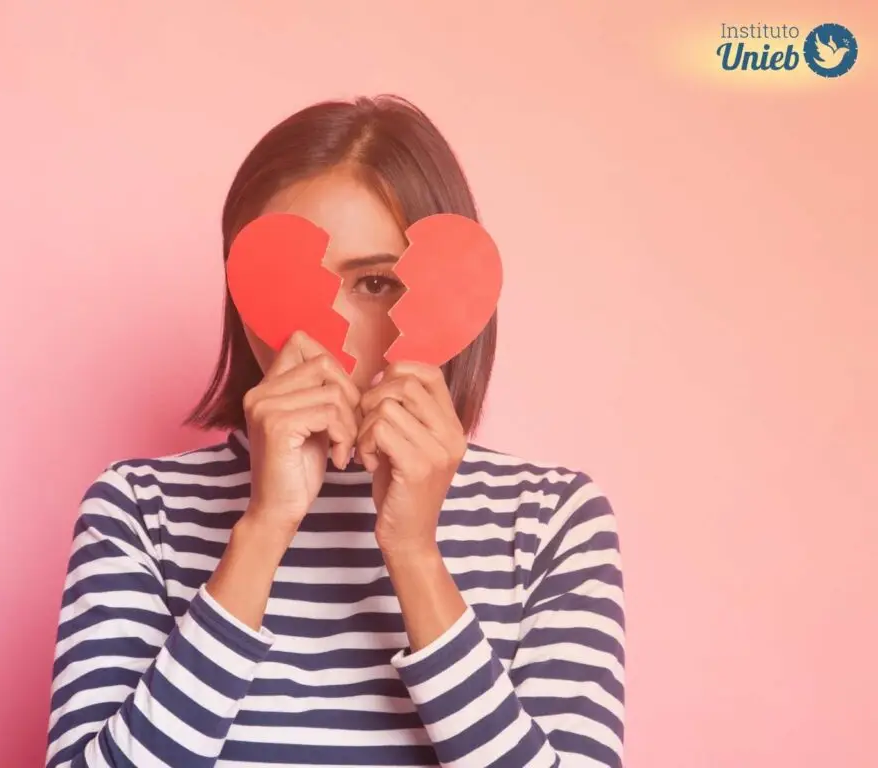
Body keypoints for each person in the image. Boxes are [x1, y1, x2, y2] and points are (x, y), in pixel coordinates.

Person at [45, 95, 625, 768]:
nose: (335, 334)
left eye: (375, 283)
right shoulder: (139, 510)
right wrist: (263, 529)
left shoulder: (552, 521)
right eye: (288, 283)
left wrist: (413, 553)